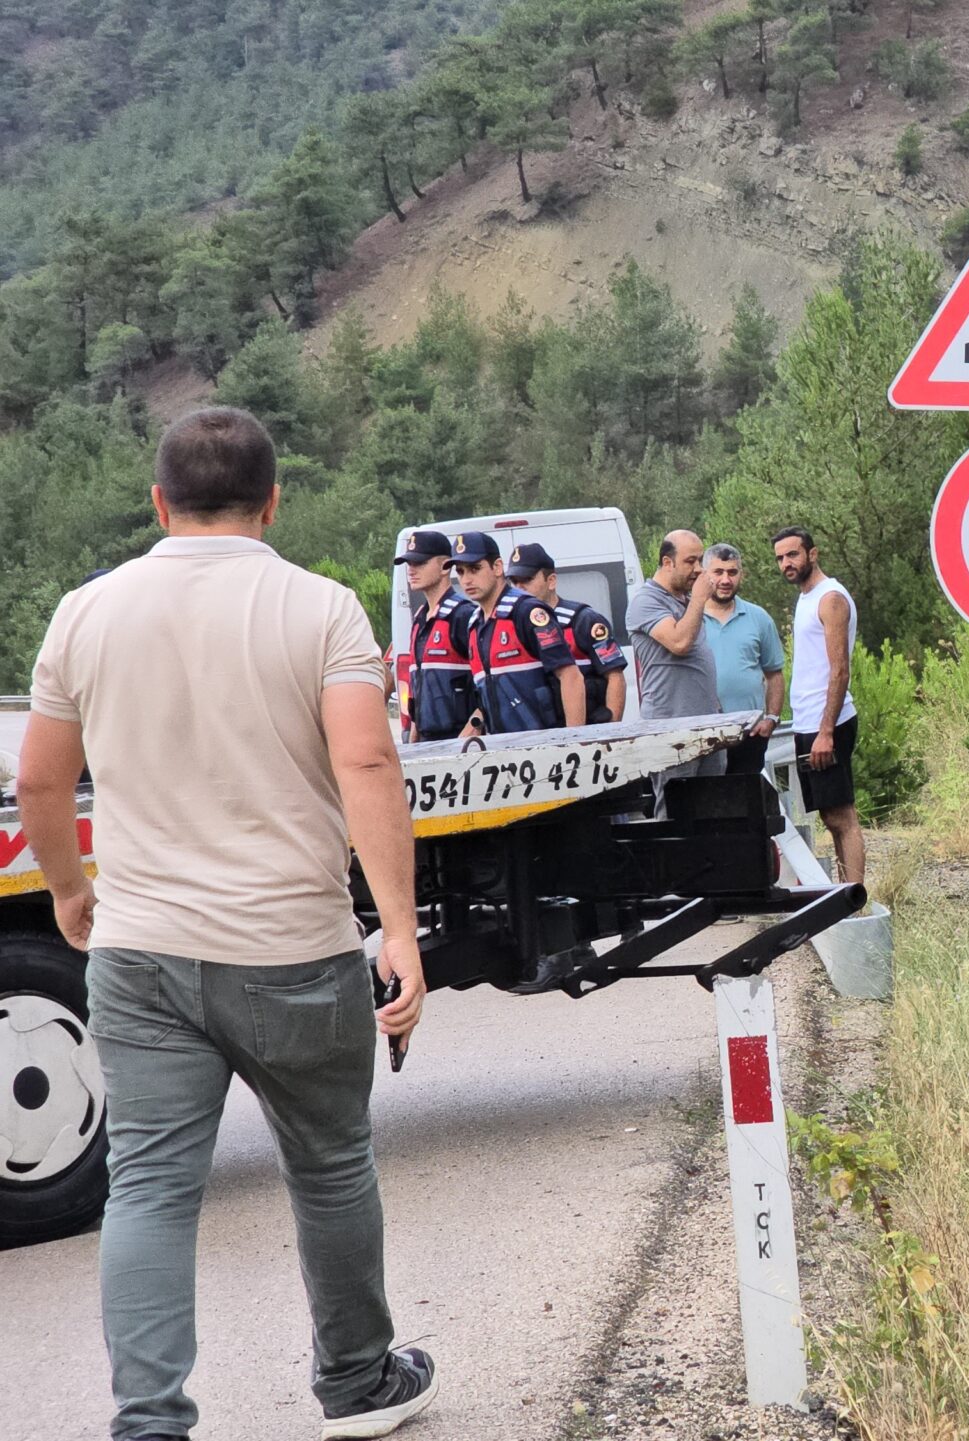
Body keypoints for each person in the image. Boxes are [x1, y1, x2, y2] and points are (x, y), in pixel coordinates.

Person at [14, 407, 437, 1440]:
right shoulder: (322, 610)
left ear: (158, 501)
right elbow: (368, 764)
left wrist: (71, 889)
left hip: (142, 951)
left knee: (150, 1187)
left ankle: (149, 1419)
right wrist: (398, 929)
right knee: (330, 1164)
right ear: (273, 500)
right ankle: (356, 1383)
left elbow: (38, 777)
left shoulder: (86, 610)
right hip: (293, 947)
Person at [772, 527, 863, 884]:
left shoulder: (830, 598)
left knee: (843, 817)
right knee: (830, 816)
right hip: (808, 722)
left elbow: (840, 671)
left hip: (830, 724)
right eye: (780, 558)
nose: (786, 564)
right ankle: (845, 894)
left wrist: (826, 732)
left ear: (813, 554)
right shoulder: (806, 596)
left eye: (792, 555)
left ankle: (855, 900)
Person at [452, 531, 585, 735]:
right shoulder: (474, 624)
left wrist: (575, 741)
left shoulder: (527, 612)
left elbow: (570, 677)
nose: (467, 580)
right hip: (502, 751)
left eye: (475, 569)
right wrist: (459, 747)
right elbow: (489, 698)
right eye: (460, 572)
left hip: (543, 743)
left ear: (497, 567)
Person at [626, 531, 722, 780]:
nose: (699, 569)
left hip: (707, 725)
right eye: (690, 561)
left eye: (700, 560)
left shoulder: (686, 601)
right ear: (667, 562)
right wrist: (700, 599)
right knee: (677, 809)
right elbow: (679, 643)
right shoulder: (646, 601)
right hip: (671, 729)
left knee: (715, 809)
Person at [506, 541, 627, 726]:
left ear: (551, 581)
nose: (519, 588)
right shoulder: (508, 626)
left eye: (527, 580)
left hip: (586, 730)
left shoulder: (585, 621)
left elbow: (615, 676)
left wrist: (612, 727)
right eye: (514, 582)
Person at [701, 542, 785, 776]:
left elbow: (774, 674)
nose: (725, 580)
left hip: (750, 734)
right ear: (704, 574)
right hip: (704, 736)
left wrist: (771, 719)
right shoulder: (690, 619)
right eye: (718, 572)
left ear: (741, 575)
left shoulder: (758, 618)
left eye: (732, 572)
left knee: (746, 806)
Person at [397, 529, 479, 743]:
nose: (411, 570)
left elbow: (488, 683)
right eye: (409, 564)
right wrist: (414, 742)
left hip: (460, 739)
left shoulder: (463, 615)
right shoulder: (419, 619)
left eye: (420, 563)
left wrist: (471, 731)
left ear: (445, 566)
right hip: (427, 739)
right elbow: (418, 688)